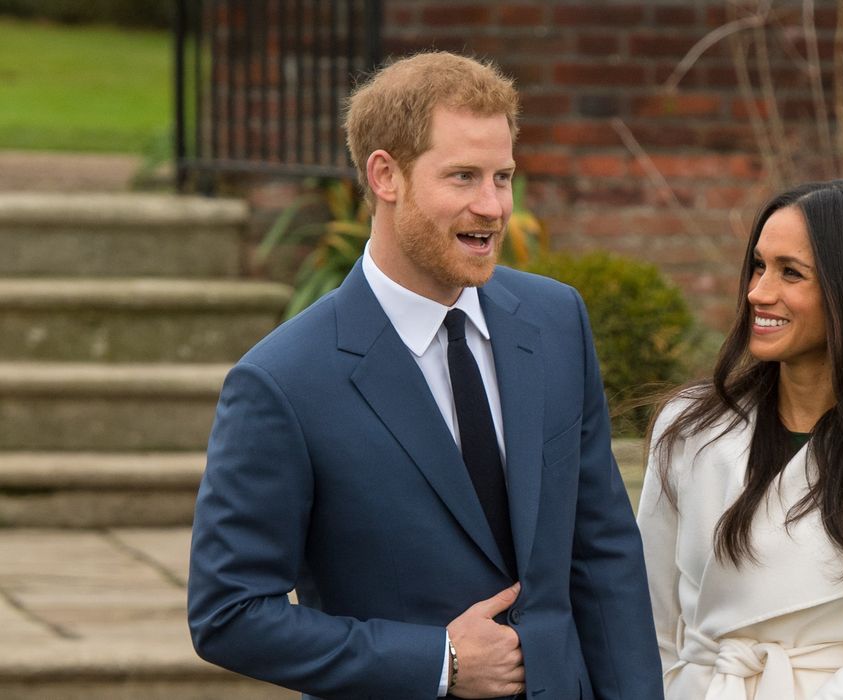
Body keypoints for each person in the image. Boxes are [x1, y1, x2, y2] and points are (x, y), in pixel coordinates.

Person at [188, 51, 663, 700]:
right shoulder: (281, 382)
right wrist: (436, 662)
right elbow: (228, 614)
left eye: (503, 176)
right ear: (386, 175)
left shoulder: (556, 322)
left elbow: (602, 552)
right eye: (463, 177)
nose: (493, 206)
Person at [637, 180, 843, 699]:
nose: (758, 292)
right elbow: (646, 612)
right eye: (758, 266)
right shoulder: (690, 428)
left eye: (790, 273)